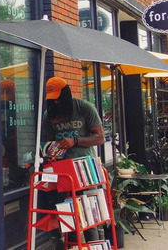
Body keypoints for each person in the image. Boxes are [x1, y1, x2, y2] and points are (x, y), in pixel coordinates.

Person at [41, 76, 105, 248]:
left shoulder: (84, 108)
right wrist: (50, 153)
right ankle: (74, 246)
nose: (56, 102)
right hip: (62, 172)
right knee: (68, 214)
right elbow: (49, 142)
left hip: (85, 169)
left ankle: (93, 245)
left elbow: (99, 138)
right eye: (52, 99)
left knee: (90, 213)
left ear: (66, 94)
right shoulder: (49, 115)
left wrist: (75, 141)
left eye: (58, 98)